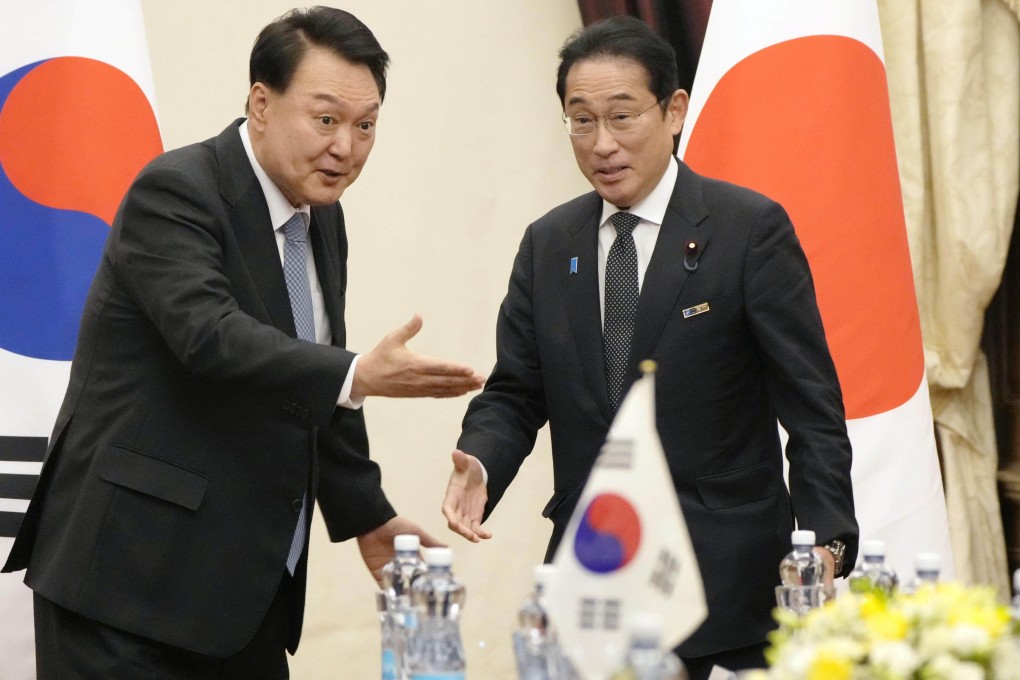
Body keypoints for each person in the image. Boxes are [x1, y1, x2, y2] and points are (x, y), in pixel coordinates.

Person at [2, 7, 484, 680]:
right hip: (125, 587)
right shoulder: (177, 190)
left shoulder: (321, 220)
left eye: (365, 124)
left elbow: (309, 386)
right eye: (325, 119)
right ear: (261, 103)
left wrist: (368, 516)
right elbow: (211, 337)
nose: (346, 146)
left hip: (239, 593)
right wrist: (356, 374)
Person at [442, 15, 858, 679]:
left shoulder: (748, 229)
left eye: (622, 116)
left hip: (724, 587)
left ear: (674, 111)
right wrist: (484, 461)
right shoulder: (550, 244)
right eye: (581, 120)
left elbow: (811, 408)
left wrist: (827, 539)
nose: (601, 143)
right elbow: (517, 390)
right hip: (594, 581)